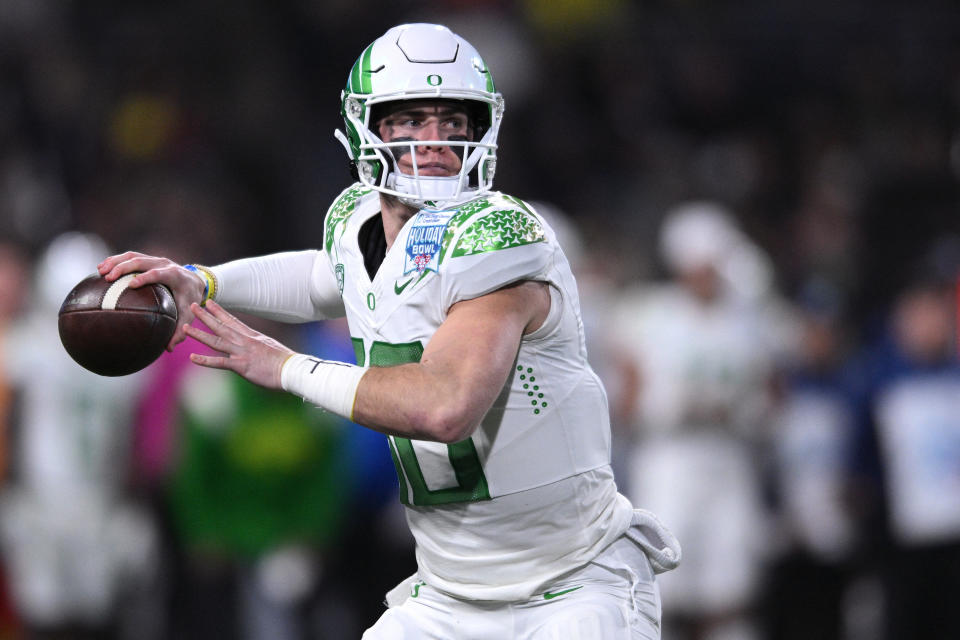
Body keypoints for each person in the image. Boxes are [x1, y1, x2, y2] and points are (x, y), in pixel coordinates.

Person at [97, 23, 680, 639]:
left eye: (454, 122)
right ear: (365, 129)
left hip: (569, 587)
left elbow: (445, 405)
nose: (435, 143)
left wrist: (283, 366)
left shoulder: (502, 237)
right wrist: (202, 280)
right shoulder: (357, 219)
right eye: (411, 122)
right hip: (448, 594)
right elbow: (328, 275)